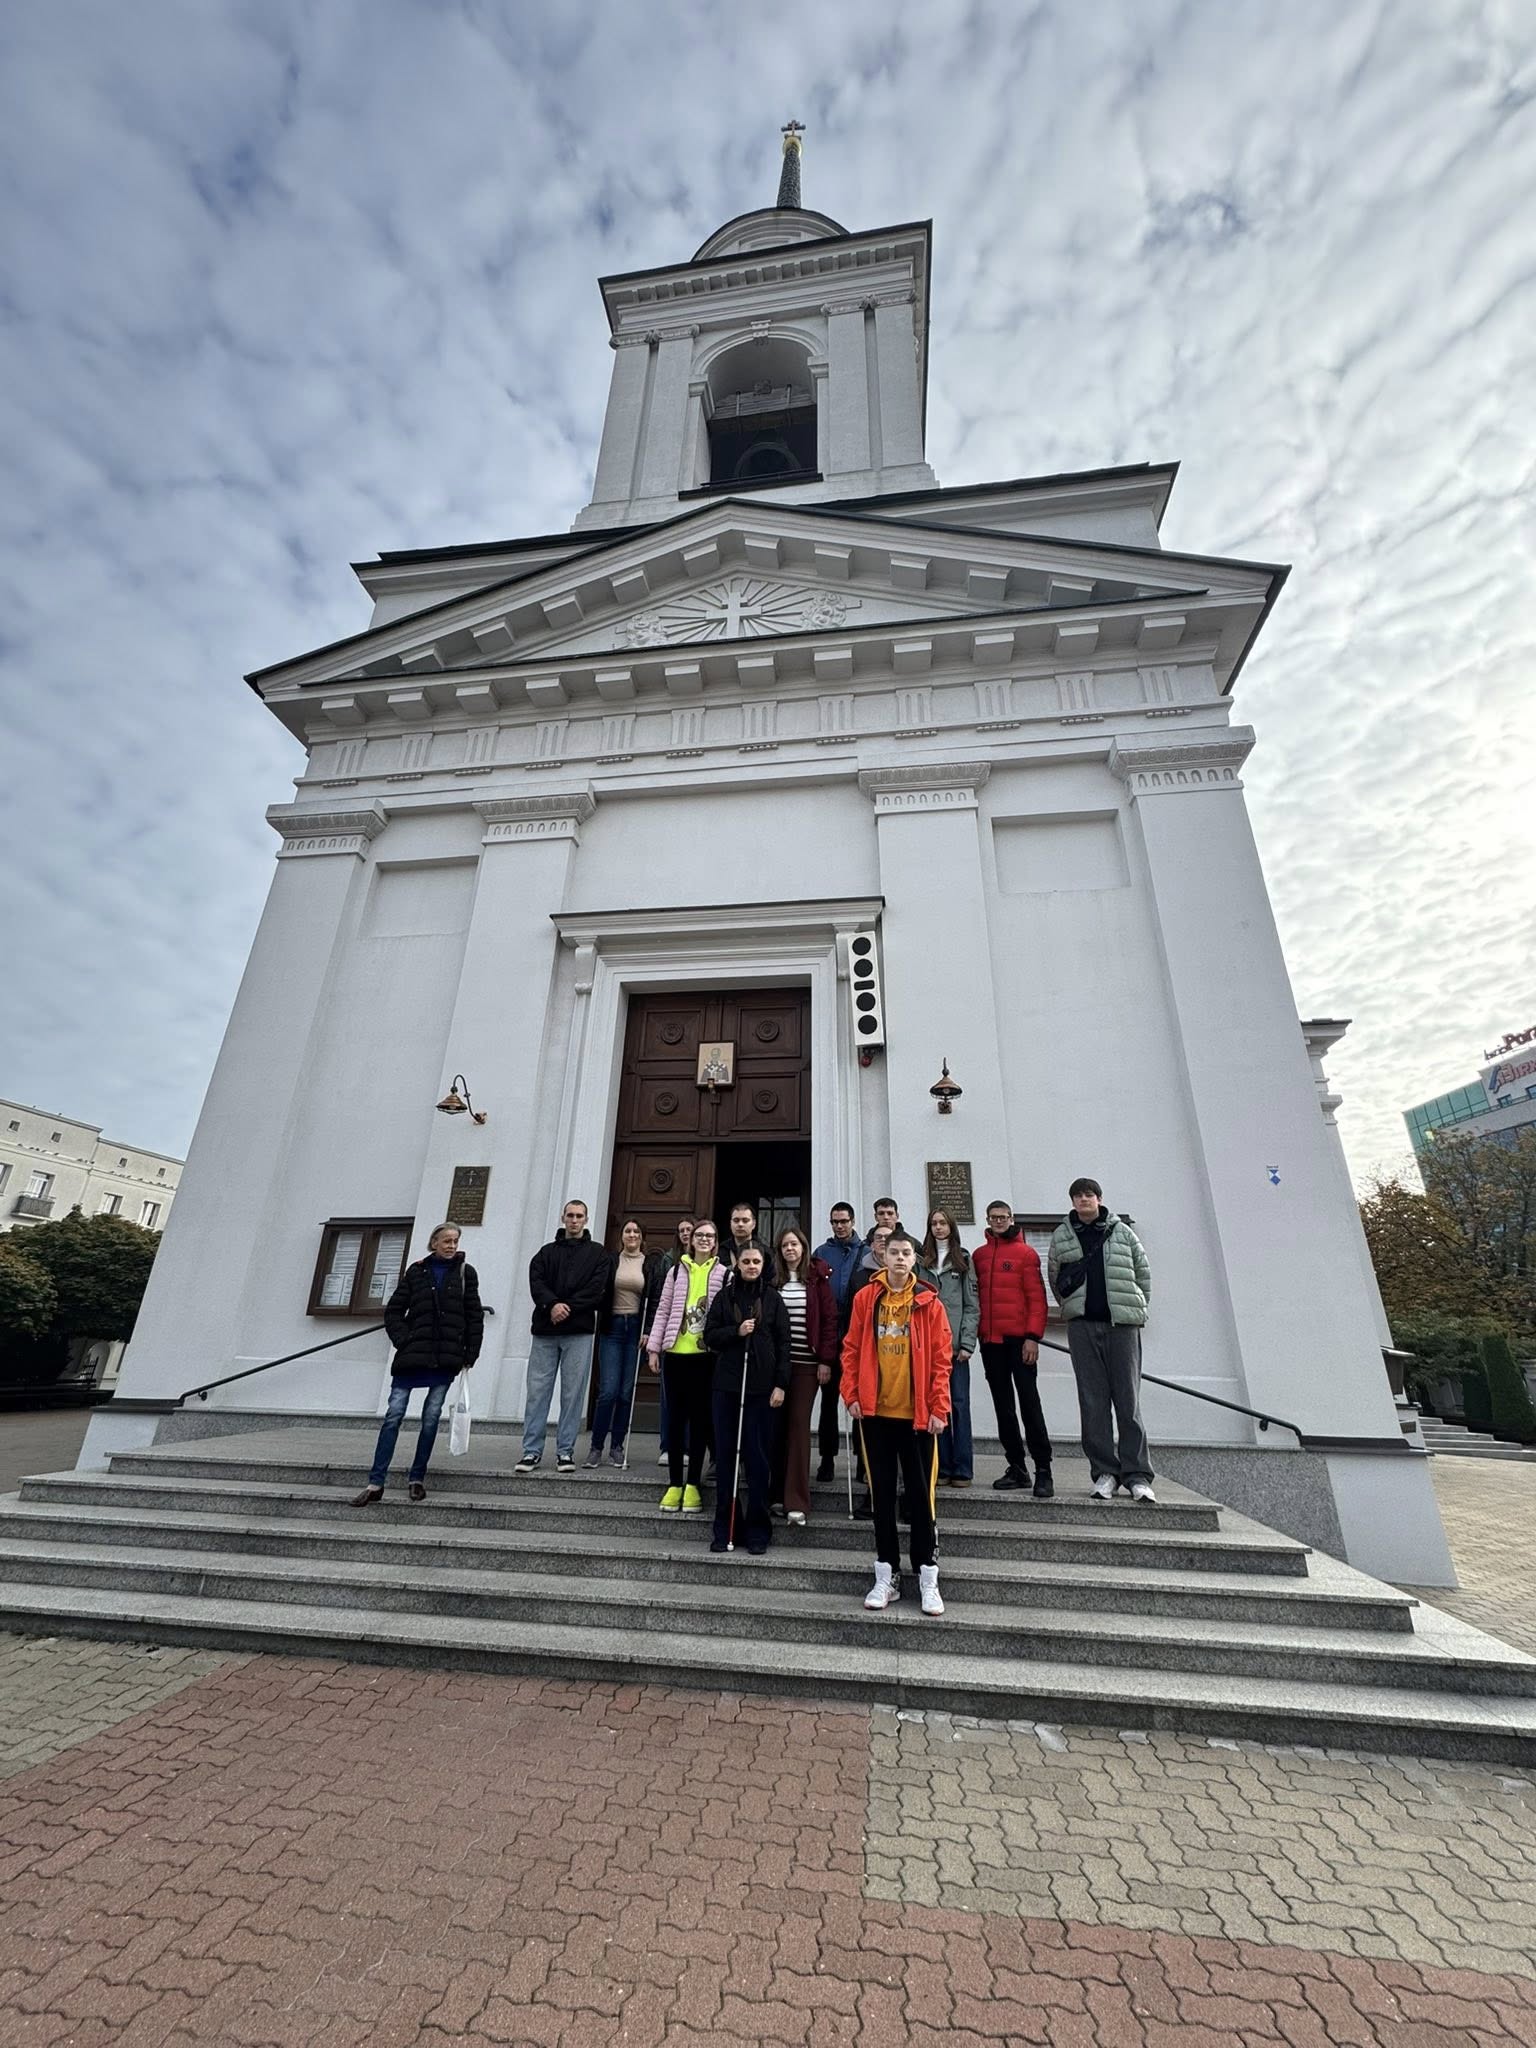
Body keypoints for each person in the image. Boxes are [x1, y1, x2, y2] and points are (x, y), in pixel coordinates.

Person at [840, 1230, 952, 1615]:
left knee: (921, 1498)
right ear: (883, 1256)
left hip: (918, 1418)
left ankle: (927, 1574)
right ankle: (886, 1574)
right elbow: (851, 1349)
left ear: (915, 1258)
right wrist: (851, 1394)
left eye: (906, 1252)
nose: (900, 1258)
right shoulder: (866, 1298)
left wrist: (939, 1407)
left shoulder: (929, 1302)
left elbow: (941, 1359)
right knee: (883, 1498)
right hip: (876, 1415)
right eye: (894, 1252)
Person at [353, 1224, 483, 1506]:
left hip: (445, 1357)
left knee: (432, 1416)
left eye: (455, 1241)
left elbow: (474, 1315)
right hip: (412, 1356)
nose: (451, 1246)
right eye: (446, 1241)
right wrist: (404, 1339)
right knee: (394, 1415)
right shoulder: (417, 1271)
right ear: (433, 1242)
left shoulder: (465, 1273)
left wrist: (470, 1353)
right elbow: (394, 1310)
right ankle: (376, 1482)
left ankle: (417, 1478)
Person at [1048, 1178, 1156, 1502]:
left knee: (1128, 1400)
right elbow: (1055, 1277)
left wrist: (1135, 1309)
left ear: (1099, 1198)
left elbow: (1143, 1273)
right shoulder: (1062, 1235)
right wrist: (1073, 1309)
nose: (1084, 1200)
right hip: (1082, 1327)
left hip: (1122, 1326)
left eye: (1089, 1194)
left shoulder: (1122, 1232)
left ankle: (1138, 1475)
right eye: (1078, 1196)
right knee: (1093, 1402)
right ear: (1072, 1201)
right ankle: (1105, 1473)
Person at [704, 1244, 790, 1554]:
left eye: (756, 1261)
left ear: (763, 1265)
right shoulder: (724, 1297)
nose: (751, 1266)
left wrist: (781, 1385)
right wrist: (736, 1331)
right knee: (727, 1458)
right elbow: (710, 1335)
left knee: (757, 1460)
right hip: (727, 1386)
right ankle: (726, 1528)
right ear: (737, 1264)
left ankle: (757, 1530)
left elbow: (784, 1343)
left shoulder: (773, 1298)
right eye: (746, 1261)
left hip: (761, 1389)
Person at [517, 1200, 613, 1475]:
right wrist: (552, 1305)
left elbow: (597, 1289)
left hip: (579, 1332)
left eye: (579, 1216)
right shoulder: (545, 1253)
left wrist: (566, 1307)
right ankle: (531, 1451)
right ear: (563, 1218)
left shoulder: (598, 1254)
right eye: (570, 1215)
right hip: (545, 1331)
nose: (574, 1220)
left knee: (573, 1395)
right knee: (537, 1393)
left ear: (586, 1220)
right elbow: (537, 1283)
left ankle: (565, 1451)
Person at [971, 1199, 1054, 1498]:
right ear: (987, 1220)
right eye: (994, 1217)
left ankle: (1043, 1469)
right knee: (1003, 1408)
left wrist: (1033, 1337)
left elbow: (1037, 1299)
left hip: (1020, 1342)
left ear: (1011, 1218)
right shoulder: (979, 1256)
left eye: (1003, 1217)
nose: (999, 1221)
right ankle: (1017, 1466)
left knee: (1030, 1405)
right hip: (991, 1343)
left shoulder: (1026, 1254)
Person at [646, 1218, 726, 1511]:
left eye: (710, 1236)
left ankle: (693, 1484)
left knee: (701, 1421)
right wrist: (654, 1348)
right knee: (675, 1420)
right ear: (691, 1240)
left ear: (715, 1242)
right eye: (699, 1235)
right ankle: (674, 1484)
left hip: (706, 1357)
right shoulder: (676, 1271)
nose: (704, 1239)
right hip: (676, 1354)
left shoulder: (724, 1274)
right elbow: (663, 1309)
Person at [771, 1225, 839, 1524]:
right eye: (785, 1245)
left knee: (798, 1428)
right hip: (776, 1367)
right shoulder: (773, 1280)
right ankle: (776, 1494)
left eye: (794, 1244)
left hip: (806, 1367)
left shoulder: (817, 1279)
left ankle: (797, 1499)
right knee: (776, 1429)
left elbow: (829, 1321)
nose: (790, 1249)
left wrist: (826, 1360)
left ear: (803, 1247)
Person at [587, 1219, 667, 1468]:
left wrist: (648, 1330)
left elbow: (655, 1301)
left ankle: (617, 1447)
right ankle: (596, 1447)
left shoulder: (650, 1264)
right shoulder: (610, 1261)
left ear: (642, 1237)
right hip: (612, 1328)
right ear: (621, 1236)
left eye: (636, 1231)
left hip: (635, 1329)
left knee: (625, 1392)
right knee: (608, 1391)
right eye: (627, 1231)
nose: (632, 1235)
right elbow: (598, 1290)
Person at [919, 1211, 979, 1487]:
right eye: (934, 1224)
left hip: (955, 1349)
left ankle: (962, 1468)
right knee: (936, 1406)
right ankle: (941, 1466)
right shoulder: (921, 1263)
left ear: (951, 1227)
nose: (938, 1228)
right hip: (929, 1348)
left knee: (959, 1405)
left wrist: (967, 1342)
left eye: (943, 1223)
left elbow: (971, 1306)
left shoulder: (963, 1261)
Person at [812, 1202, 865, 1478]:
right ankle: (827, 1457)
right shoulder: (822, 1253)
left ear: (852, 1221)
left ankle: (862, 1460)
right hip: (830, 1336)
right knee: (828, 1401)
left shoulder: (866, 1253)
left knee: (860, 1400)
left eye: (844, 1221)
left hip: (857, 1336)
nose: (839, 1226)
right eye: (835, 1221)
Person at [657, 1218, 695, 1465]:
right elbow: (661, 1301)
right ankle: (668, 1446)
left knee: (692, 1398)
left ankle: (689, 1447)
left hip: (696, 1339)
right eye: (681, 1230)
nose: (685, 1234)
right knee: (669, 1397)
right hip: (672, 1336)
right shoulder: (669, 1261)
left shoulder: (709, 1264)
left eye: (689, 1230)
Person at [725, 1203, 768, 1268]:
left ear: (754, 1224)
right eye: (736, 1220)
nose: (740, 1224)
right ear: (730, 1223)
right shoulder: (720, 1252)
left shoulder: (766, 1253)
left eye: (745, 1220)